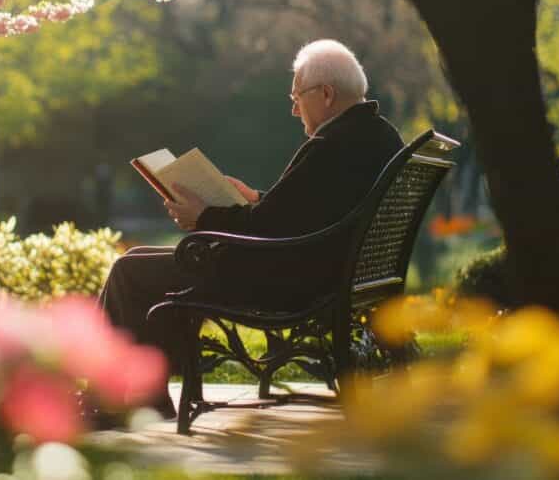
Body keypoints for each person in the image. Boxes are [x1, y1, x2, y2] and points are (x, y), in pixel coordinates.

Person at [97, 39, 404, 420]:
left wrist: (204, 218)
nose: (293, 109)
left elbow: (271, 229)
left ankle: (109, 399)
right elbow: (304, 214)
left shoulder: (331, 144)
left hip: (287, 281)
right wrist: (256, 197)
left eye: (296, 97)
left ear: (325, 94)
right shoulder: (376, 135)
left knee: (129, 271)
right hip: (321, 272)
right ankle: (138, 396)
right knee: (138, 259)